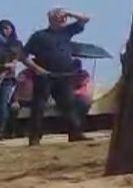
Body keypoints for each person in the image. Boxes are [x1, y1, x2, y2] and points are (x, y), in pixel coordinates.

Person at [23, 8, 91, 146]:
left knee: (68, 105)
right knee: (39, 107)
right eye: (60, 17)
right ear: (51, 19)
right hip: (45, 76)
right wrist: (36, 69)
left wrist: (69, 12)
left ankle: (75, 133)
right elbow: (23, 56)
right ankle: (34, 137)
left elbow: (85, 19)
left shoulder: (67, 32)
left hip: (63, 76)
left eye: (65, 17)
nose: (64, 19)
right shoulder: (39, 36)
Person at [0, 20, 24, 138]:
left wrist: (7, 68)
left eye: (8, 28)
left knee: (3, 104)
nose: (6, 30)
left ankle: (3, 130)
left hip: (8, 78)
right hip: (3, 71)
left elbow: (15, 60)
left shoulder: (16, 43)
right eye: (3, 28)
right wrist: (4, 65)